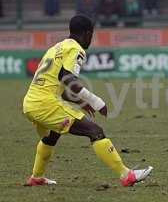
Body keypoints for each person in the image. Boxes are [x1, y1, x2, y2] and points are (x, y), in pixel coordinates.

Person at [23, 14, 153, 186]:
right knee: (95, 131)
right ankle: (126, 175)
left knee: (52, 135)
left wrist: (81, 103)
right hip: (45, 103)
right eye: (92, 35)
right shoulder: (76, 49)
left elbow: (60, 84)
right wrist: (96, 101)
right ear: (87, 33)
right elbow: (69, 80)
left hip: (31, 103)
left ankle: (36, 177)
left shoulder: (56, 48)